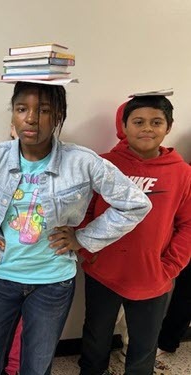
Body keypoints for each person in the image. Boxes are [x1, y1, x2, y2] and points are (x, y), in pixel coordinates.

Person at [0, 81, 152, 375]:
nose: (31, 118)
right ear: (13, 116)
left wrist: (83, 238)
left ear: (57, 116)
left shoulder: (81, 161)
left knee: (36, 365)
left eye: (43, 110)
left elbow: (135, 203)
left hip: (53, 283)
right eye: (22, 109)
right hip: (3, 278)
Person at [78, 94, 191, 375]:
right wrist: (87, 251)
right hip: (103, 271)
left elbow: (188, 225)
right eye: (138, 122)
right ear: (124, 127)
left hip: (153, 277)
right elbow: (84, 212)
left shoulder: (182, 173)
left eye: (156, 122)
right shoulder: (102, 165)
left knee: (143, 345)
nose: (147, 129)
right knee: (95, 337)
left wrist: (170, 267)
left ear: (169, 126)